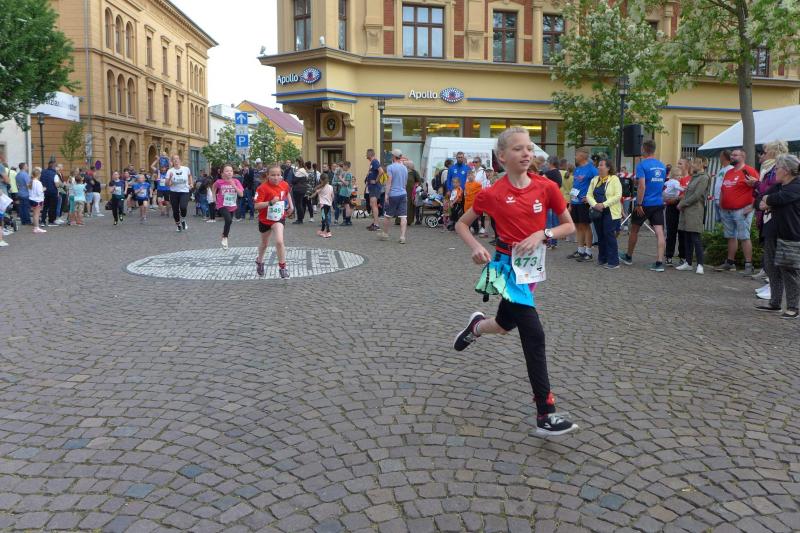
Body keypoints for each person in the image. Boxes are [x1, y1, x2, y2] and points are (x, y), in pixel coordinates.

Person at [452, 127, 577, 436]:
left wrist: (542, 234)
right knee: (534, 333)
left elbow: (569, 226)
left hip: (532, 270)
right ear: (502, 156)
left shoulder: (546, 187)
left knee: (505, 324)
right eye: (518, 148)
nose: (526, 153)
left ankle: (476, 327)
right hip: (505, 268)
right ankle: (545, 413)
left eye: (529, 148)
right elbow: (462, 224)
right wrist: (476, 247)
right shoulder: (492, 193)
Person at [758, 154, 800, 318]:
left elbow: (780, 199)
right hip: (772, 232)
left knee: (789, 271)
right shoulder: (778, 186)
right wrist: (766, 200)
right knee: (771, 267)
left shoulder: (796, 185)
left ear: (786, 170)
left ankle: (793, 307)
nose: (775, 171)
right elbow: (759, 200)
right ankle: (774, 303)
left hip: (790, 234)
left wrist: (768, 200)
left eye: (777, 168)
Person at [619, 139, 668, 272]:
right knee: (659, 232)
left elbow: (642, 186)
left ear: (644, 149)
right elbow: (660, 184)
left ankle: (628, 257)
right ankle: (659, 262)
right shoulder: (662, 165)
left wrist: (639, 203)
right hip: (658, 203)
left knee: (634, 229)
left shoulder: (642, 165)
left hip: (645, 203)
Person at [715, 148, 759, 275]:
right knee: (731, 236)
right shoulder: (729, 172)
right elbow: (723, 189)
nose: (732, 157)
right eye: (732, 155)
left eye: (735, 155)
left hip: (742, 210)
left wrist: (752, 206)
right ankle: (730, 263)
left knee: (744, 237)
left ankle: (748, 265)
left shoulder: (749, 171)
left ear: (743, 156)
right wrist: (721, 205)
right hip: (727, 210)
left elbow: (758, 189)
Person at [754, 141, 789, 292]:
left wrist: (764, 196)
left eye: (766, 151)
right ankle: (771, 284)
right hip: (766, 211)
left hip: (773, 213)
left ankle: (773, 287)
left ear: (773, 152)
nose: (763, 154)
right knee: (769, 251)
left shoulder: (777, 169)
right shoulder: (769, 168)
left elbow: (773, 189)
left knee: (773, 252)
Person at [254, 164, 294, 279]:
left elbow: (287, 193)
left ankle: (282, 267)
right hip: (265, 219)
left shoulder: (284, 184)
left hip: (278, 218)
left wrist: (291, 206)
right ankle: (260, 261)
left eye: (278, 175)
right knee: (264, 244)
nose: (276, 177)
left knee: (279, 241)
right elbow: (256, 205)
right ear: (267, 175)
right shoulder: (262, 188)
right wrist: (270, 202)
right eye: (273, 175)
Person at [675, 157, 711, 274]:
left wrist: (682, 203)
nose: (692, 165)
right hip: (687, 211)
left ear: (700, 164)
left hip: (695, 211)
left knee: (696, 237)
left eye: (694, 163)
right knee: (687, 237)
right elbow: (688, 193)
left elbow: (697, 195)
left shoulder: (704, 178)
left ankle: (700, 264)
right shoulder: (695, 177)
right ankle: (688, 262)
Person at [586, 158, 622, 268]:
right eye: (598, 165)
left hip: (610, 212)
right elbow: (589, 195)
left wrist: (604, 204)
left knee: (609, 235)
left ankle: (613, 262)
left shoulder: (614, 179)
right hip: (597, 211)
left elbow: (618, 195)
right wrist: (595, 204)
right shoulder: (594, 180)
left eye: (601, 165)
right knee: (600, 235)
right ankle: (602, 258)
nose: (598, 167)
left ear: (608, 168)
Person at [567, 147, 598, 261]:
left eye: (577, 154)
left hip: (584, 202)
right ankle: (580, 250)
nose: (575, 157)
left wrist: (591, 198)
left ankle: (588, 252)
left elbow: (598, 184)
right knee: (578, 225)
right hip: (575, 201)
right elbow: (574, 185)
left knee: (585, 226)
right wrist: (571, 202)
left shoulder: (592, 169)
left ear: (583, 156)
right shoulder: (577, 169)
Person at [379, 149, 409, 244]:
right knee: (403, 216)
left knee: (387, 215)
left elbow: (389, 182)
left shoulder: (390, 167)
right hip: (403, 194)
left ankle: (385, 234)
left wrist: (386, 194)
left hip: (393, 194)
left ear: (393, 157)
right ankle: (402, 237)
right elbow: (405, 183)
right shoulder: (404, 168)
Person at [213, 164, 244, 249]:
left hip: (231, 205)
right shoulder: (219, 182)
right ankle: (225, 237)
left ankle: (224, 235)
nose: (229, 172)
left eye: (231, 171)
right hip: (221, 205)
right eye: (227, 171)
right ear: (222, 173)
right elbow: (214, 187)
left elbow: (241, 194)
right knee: (228, 219)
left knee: (229, 222)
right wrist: (214, 198)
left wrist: (233, 185)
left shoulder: (236, 181)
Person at [166, 155, 193, 232]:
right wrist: (170, 178)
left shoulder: (186, 169)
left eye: (177, 159)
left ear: (180, 160)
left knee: (183, 207)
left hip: (184, 191)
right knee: (175, 211)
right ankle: (178, 225)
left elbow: (189, 176)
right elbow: (167, 184)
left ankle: (183, 219)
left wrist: (191, 183)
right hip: (174, 192)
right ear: (172, 162)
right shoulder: (170, 171)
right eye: (174, 159)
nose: (176, 160)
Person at [544, 155, 563, 248]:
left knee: (548, 222)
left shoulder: (549, 173)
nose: (546, 164)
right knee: (555, 222)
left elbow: (541, 183)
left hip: (548, 200)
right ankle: (554, 242)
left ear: (551, 163)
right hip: (556, 199)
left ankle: (549, 241)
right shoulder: (558, 173)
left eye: (547, 162)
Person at [711, 150, 732, 224]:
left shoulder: (730, 169)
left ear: (724, 157)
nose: (719, 158)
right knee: (719, 222)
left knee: (725, 222)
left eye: (720, 156)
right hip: (717, 198)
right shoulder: (722, 169)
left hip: (722, 199)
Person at [365, 149, 383, 231]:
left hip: (375, 187)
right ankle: (374, 222)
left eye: (366, 154)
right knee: (372, 204)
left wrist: (376, 180)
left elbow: (381, 171)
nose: (366, 155)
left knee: (374, 205)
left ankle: (376, 225)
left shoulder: (375, 161)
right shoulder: (372, 162)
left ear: (370, 154)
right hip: (372, 187)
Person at [463, 170, 482, 235]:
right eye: (468, 175)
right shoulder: (466, 184)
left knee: (474, 217)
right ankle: (467, 229)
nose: (469, 176)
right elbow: (465, 192)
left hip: (473, 203)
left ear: (474, 176)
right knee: (467, 217)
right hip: (467, 203)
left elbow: (479, 194)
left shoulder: (478, 184)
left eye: (471, 175)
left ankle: (476, 229)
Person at [291, 159, 309, 224]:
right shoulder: (304, 170)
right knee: (300, 204)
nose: (295, 163)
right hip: (303, 189)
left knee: (298, 204)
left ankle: (300, 219)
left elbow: (294, 181)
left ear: (298, 162)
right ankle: (301, 218)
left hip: (298, 189)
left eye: (296, 162)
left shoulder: (300, 171)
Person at [29, 168, 46, 234]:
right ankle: (36, 228)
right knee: (37, 215)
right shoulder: (38, 182)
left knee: (34, 214)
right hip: (37, 200)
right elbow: (39, 192)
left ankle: (35, 227)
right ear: (38, 175)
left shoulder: (31, 181)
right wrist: (43, 189)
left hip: (32, 199)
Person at [337, 161, 354, 226]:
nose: (342, 167)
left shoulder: (348, 174)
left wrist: (340, 178)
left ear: (346, 166)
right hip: (345, 192)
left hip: (346, 193)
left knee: (347, 206)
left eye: (343, 166)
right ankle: (348, 220)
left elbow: (346, 183)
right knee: (346, 206)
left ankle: (347, 221)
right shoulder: (346, 173)